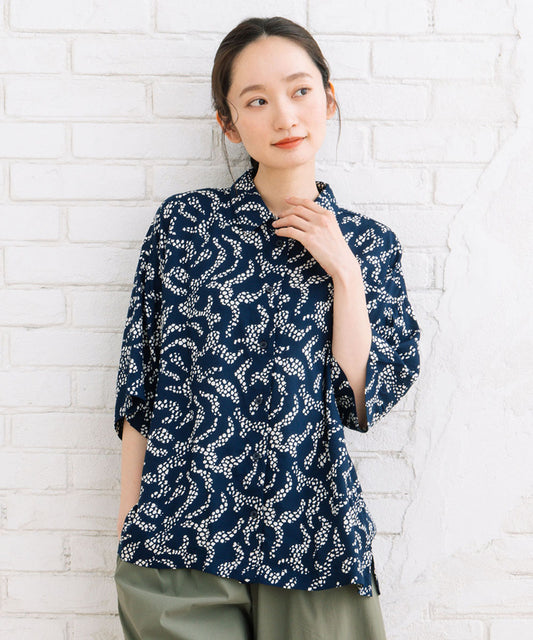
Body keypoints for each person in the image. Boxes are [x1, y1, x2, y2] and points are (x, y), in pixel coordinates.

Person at [112, 15, 421, 640]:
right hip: (180, 534)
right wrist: (130, 527)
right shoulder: (185, 227)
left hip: (313, 540)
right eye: (256, 101)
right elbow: (140, 384)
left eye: (300, 91)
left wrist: (345, 274)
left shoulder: (368, 245)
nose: (284, 116)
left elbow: (362, 399)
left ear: (328, 99)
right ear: (229, 124)